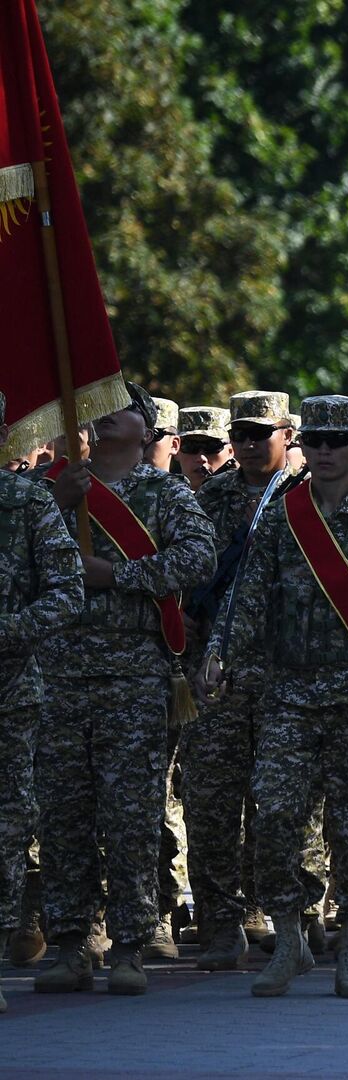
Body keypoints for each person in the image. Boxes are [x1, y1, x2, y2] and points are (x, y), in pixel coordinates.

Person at [208, 395, 348, 998]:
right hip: (289, 693)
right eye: (316, 441)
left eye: (337, 441)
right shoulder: (284, 515)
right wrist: (221, 657)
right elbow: (249, 599)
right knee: (274, 812)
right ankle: (290, 937)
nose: (325, 452)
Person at [36, 384, 216, 995]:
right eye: (100, 404)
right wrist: (56, 504)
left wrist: (117, 575)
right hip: (58, 673)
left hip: (134, 677)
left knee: (130, 816)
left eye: (125, 403)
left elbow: (198, 559)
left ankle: (130, 946)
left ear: (146, 428)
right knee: (63, 815)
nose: (109, 411)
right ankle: (70, 943)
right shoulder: (54, 490)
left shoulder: (163, 492)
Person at [186, 389, 304, 971]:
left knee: (280, 806)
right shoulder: (209, 499)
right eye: (243, 434)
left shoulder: (305, 499)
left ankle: (279, 915)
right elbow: (186, 569)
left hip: (286, 675)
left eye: (263, 433)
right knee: (210, 801)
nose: (251, 444)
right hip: (219, 673)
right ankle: (220, 924)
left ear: (288, 435)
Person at [0, 391, 85, 1014]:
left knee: (6, 829)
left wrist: (6, 632)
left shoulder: (27, 502)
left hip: (9, 693)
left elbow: (66, 593)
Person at [177, 407, 233, 491]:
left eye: (212, 447)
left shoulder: (250, 498)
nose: (201, 458)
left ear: (231, 451)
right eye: (190, 447)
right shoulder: (161, 498)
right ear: (176, 451)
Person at [145, 398, 180, 474]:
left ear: (174, 445)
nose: (143, 442)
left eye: (154, 435)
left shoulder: (178, 486)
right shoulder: (115, 483)